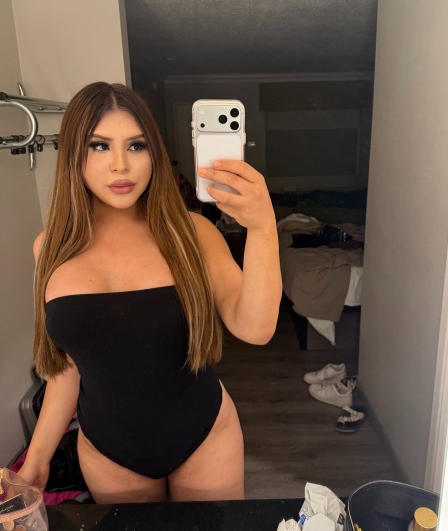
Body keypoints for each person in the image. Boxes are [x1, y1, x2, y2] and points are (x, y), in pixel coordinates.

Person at [17, 82, 282, 503]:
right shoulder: (50, 247)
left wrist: (263, 227)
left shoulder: (193, 233)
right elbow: (68, 366)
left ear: (154, 154)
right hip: (109, 452)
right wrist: (37, 460)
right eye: (99, 146)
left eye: (136, 145)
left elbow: (257, 329)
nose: (120, 165)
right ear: (72, 155)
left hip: (204, 438)